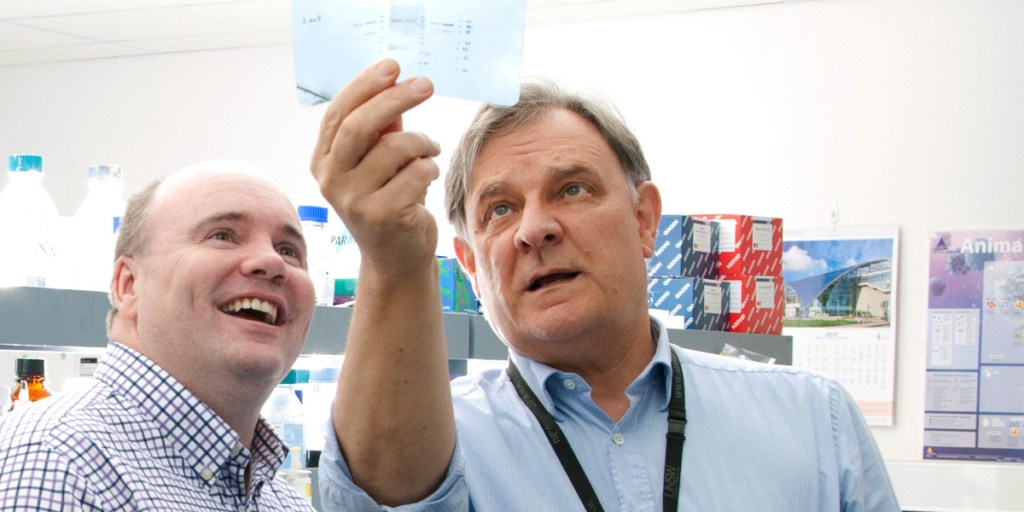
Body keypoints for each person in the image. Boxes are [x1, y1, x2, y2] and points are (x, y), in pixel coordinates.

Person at [313, 59, 901, 511]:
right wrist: (393, 257)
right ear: (468, 261)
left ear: (645, 221)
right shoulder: (437, 446)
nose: (535, 229)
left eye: (572, 189)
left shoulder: (812, 419)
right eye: (499, 209)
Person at [0, 161, 317, 510]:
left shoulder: (284, 502)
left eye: (289, 250)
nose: (271, 262)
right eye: (222, 235)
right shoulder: (58, 463)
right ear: (129, 285)